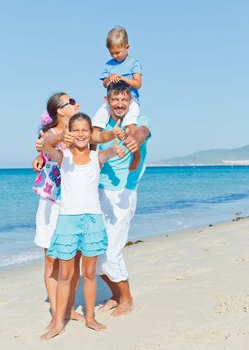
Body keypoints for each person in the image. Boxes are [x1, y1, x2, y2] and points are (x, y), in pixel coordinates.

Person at [40, 113, 125, 339]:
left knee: (88, 273)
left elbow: (110, 148)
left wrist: (117, 144)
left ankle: (90, 317)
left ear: (90, 134)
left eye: (84, 130)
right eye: (75, 130)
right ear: (70, 132)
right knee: (66, 275)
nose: (80, 134)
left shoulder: (97, 156)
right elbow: (46, 146)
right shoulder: (63, 156)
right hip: (68, 220)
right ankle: (58, 321)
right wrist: (61, 136)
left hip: (92, 220)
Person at [94, 81, 152, 317]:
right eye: (115, 100)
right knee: (96, 252)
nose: (119, 104)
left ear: (130, 102)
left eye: (124, 100)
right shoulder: (100, 124)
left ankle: (127, 299)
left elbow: (143, 132)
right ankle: (116, 295)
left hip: (123, 192)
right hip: (99, 191)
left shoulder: (140, 120)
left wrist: (134, 141)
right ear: (107, 100)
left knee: (111, 251)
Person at [31, 92, 83, 328]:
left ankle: (69, 308)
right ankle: (56, 313)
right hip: (51, 204)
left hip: (75, 202)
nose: (75, 103)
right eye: (70, 102)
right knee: (51, 260)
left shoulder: (81, 132)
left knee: (72, 259)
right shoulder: (48, 136)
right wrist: (38, 156)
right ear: (60, 110)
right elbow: (46, 146)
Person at [93, 25, 142, 170]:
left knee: (131, 125)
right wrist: (110, 78)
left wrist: (123, 79)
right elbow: (104, 84)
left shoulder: (134, 63)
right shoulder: (109, 65)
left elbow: (138, 84)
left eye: (117, 52)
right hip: (112, 100)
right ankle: (93, 155)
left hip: (130, 100)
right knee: (96, 122)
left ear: (127, 47)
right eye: (111, 53)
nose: (114, 56)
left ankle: (135, 155)